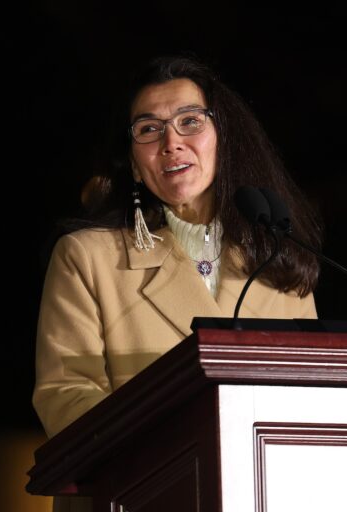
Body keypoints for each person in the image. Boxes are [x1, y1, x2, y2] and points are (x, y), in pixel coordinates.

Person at [32, 54, 323, 510]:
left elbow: (311, 401)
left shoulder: (280, 262)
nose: (171, 142)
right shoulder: (87, 257)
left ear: (223, 139)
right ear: (132, 161)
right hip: (136, 493)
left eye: (190, 121)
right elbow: (65, 395)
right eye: (148, 129)